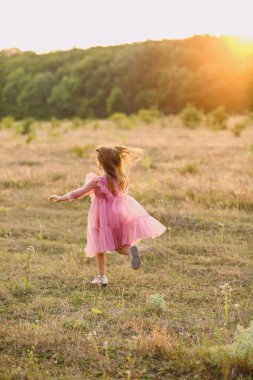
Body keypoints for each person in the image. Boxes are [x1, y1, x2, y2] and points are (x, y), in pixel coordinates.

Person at [48, 145, 166, 286]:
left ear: (101, 162)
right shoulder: (120, 178)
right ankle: (130, 252)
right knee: (119, 246)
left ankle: (102, 277)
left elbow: (79, 193)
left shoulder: (97, 181)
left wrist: (60, 197)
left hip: (101, 216)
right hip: (119, 214)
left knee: (99, 246)